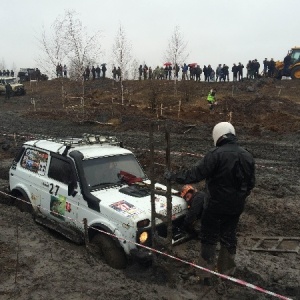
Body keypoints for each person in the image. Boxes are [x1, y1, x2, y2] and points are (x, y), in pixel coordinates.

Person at [165, 122, 255, 283]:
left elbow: (195, 174)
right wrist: (239, 197)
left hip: (214, 206)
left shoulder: (216, 154)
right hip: (235, 207)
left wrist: (173, 176)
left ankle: (205, 276)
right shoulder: (247, 155)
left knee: (209, 239)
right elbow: (250, 184)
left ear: (217, 135)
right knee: (229, 237)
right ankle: (227, 272)